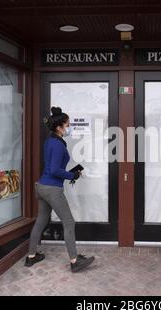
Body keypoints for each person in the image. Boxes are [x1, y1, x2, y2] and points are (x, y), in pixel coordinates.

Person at [25, 106, 94, 273]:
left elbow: (51, 168)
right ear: (59, 127)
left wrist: (70, 173)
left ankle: (31, 256)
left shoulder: (50, 141)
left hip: (41, 186)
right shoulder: (57, 145)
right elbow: (55, 170)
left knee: (41, 220)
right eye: (67, 125)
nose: (69, 128)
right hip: (51, 189)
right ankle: (75, 261)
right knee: (69, 222)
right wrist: (71, 176)